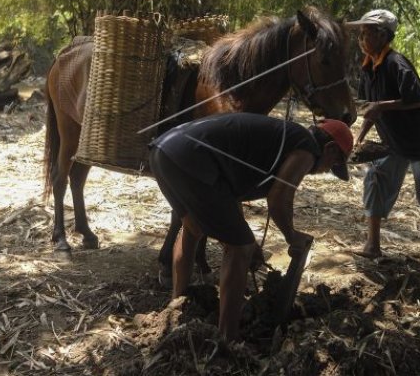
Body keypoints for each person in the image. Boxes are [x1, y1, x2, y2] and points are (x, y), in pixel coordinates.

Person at [149, 112, 353, 341]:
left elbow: (230, 194)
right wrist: (291, 235)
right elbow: (279, 198)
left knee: (193, 227)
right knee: (240, 249)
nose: (327, 170)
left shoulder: (284, 138)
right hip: (191, 157)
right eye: (334, 164)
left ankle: (179, 306)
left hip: (164, 152)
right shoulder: (307, 149)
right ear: (331, 149)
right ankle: (228, 339)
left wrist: (250, 239)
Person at [345, 9, 420, 276]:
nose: (362, 38)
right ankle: (373, 245)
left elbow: (419, 99)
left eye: (366, 33)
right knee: (375, 177)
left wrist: (381, 106)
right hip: (394, 141)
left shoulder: (396, 63)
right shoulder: (368, 68)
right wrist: (360, 137)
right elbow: (371, 109)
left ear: (382, 35)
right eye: (361, 33)